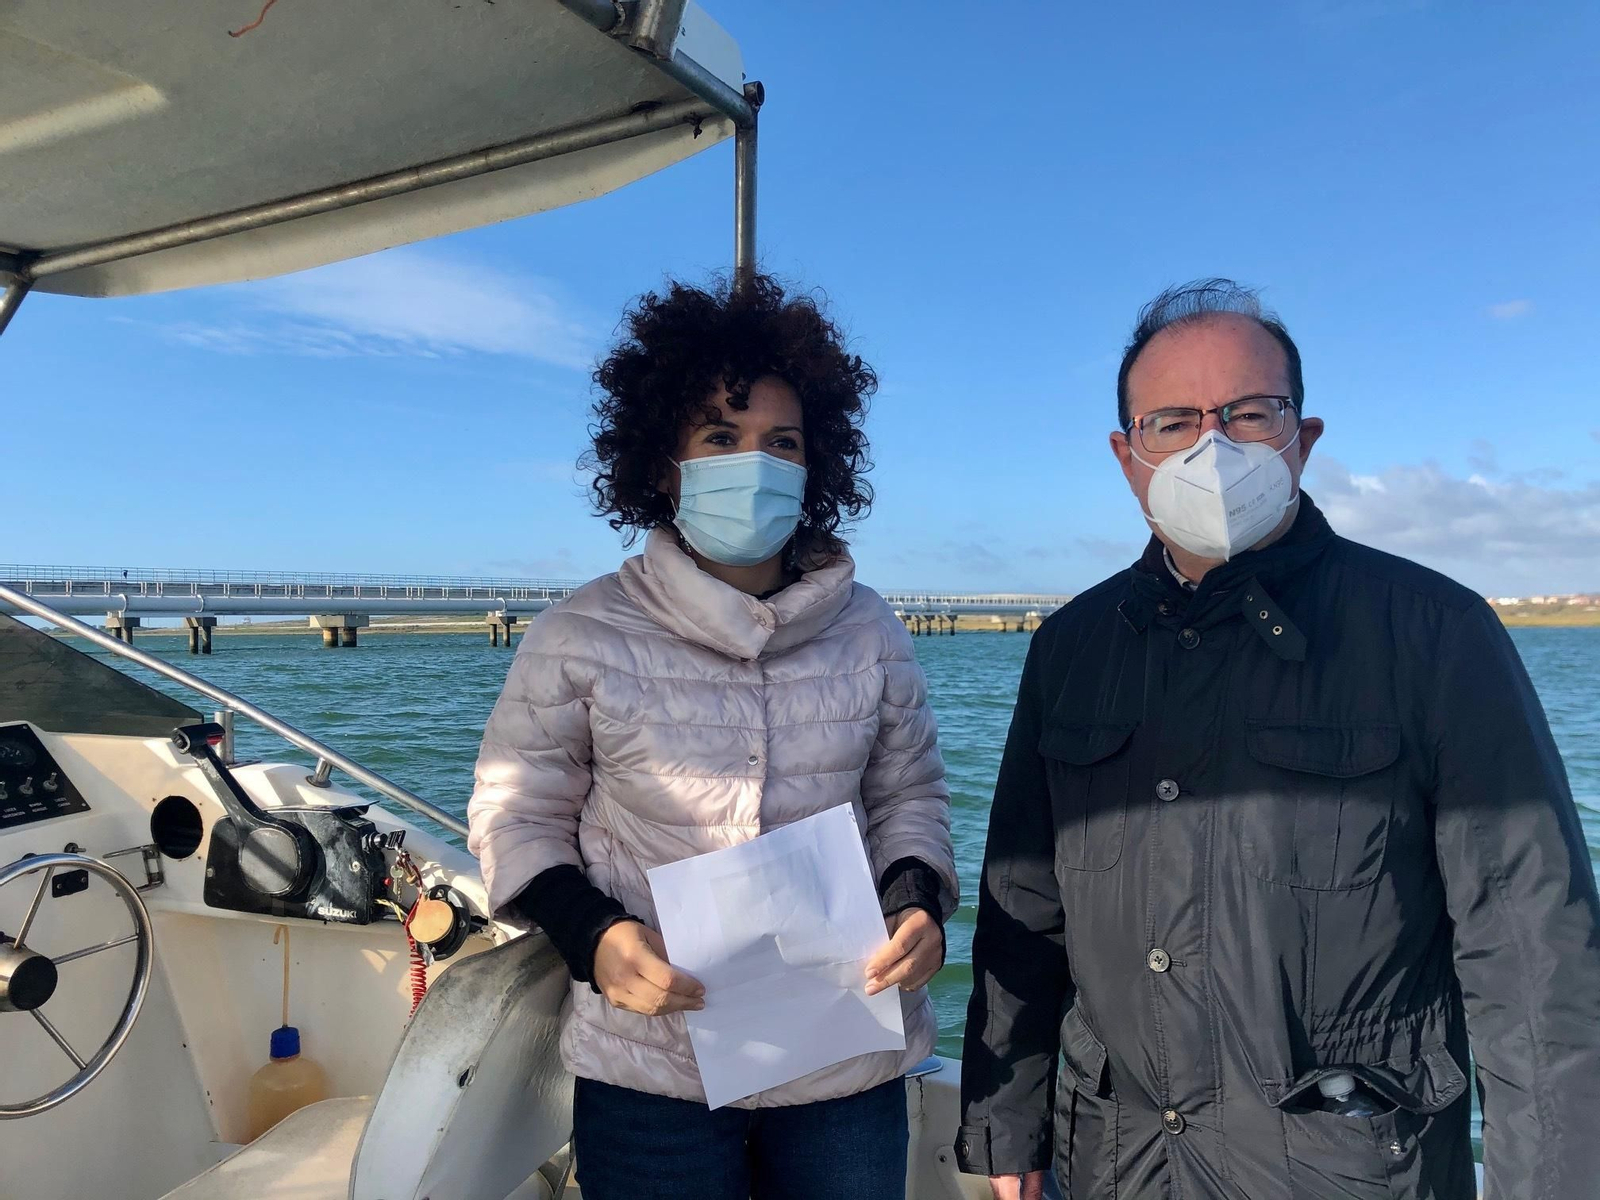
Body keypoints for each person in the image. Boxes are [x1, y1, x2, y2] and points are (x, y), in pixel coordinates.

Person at [957, 278, 1600, 1199]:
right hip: (1116, 1163)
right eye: (1172, 422)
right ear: (1126, 455)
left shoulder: (1435, 633)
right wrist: (1004, 1124)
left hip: (1350, 1169)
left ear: (1305, 437)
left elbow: (1533, 954)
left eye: (1250, 414)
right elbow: (1024, 907)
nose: (1211, 447)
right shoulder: (1071, 647)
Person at [467, 275, 958, 1200]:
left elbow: (911, 798)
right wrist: (594, 935)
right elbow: (514, 813)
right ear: (665, 462)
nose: (756, 462)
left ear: (818, 466)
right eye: (721, 438)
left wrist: (918, 900)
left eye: (784, 442)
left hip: (842, 1062)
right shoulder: (579, 632)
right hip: (650, 1072)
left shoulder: (872, 630)